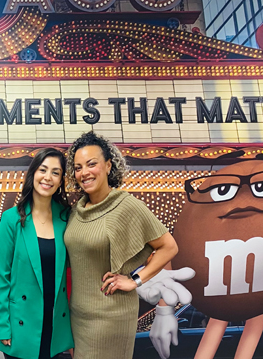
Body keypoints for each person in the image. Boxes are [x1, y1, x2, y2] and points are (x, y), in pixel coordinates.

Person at [64, 131, 178, 359]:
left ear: (108, 165)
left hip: (111, 315)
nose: (84, 172)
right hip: (78, 315)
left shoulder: (126, 205)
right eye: (78, 167)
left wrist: (135, 280)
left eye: (91, 164)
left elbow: (169, 246)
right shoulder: (76, 211)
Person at [0, 148, 74, 359]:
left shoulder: (67, 217)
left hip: (56, 321)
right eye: (43, 170)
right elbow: (1, 276)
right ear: (32, 174)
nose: (48, 177)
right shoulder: (11, 219)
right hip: (21, 323)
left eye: (55, 172)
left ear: (60, 180)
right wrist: (2, 326)